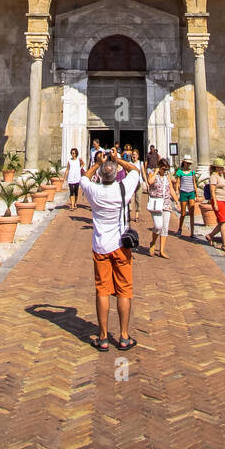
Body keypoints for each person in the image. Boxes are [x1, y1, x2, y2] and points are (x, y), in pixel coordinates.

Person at [80, 146, 140, 351]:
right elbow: (135, 171)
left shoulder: (94, 191)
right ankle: (124, 336)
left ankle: (103, 337)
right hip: (121, 247)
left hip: (100, 247)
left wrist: (97, 163)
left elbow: (84, 178)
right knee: (124, 290)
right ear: (116, 174)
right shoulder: (123, 189)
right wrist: (118, 159)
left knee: (102, 290)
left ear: (99, 175)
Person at [146, 157, 179, 257]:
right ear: (159, 167)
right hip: (156, 203)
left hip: (166, 203)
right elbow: (150, 182)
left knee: (165, 228)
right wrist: (156, 172)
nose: (165, 171)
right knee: (158, 226)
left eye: (166, 169)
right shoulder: (152, 174)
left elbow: (171, 190)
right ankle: (152, 243)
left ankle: (162, 250)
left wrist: (177, 201)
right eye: (163, 169)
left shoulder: (167, 177)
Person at [206, 161, 225, 250]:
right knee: (223, 222)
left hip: (224, 201)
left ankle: (211, 235)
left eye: (222, 167)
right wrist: (215, 203)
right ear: (216, 167)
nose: (222, 169)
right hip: (218, 200)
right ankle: (224, 244)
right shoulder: (213, 177)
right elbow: (212, 190)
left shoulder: (220, 176)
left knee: (224, 221)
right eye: (220, 167)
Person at [175, 154, 198, 238]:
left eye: (189, 163)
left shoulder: (192, 172)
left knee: (192, 212)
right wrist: (177, 191)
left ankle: (192, 232)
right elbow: (177, 182)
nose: (188, 165)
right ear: (184, 163)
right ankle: (180, 228)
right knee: (183, 213)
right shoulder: (180, 172)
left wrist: (196, 193)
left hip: (191, 192)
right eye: (187, 163)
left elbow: (194, 182)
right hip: (183, 192)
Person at [64, 147, 84, 211]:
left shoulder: (78, 160)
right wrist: (65, 177)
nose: (72, 154)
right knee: (71, 192)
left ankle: (75, 202)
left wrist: (80, 169)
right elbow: (67, 169)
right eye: (72, 153)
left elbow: (83, 164)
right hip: (71, 178)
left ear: (76, 154)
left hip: (77, 177)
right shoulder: (69, 161)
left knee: (76, 192)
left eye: (73, 153)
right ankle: (72, 205)